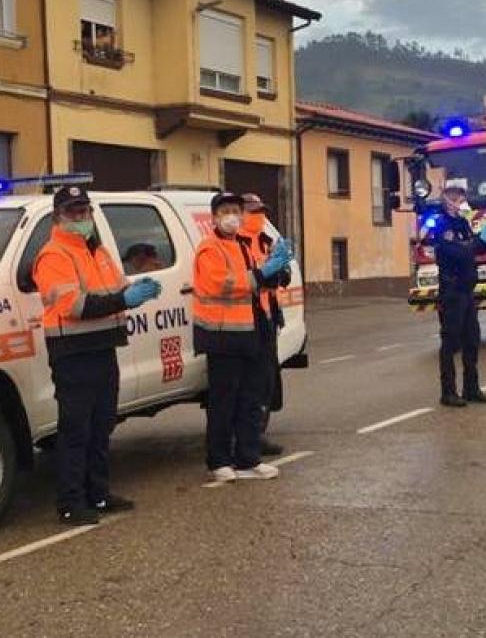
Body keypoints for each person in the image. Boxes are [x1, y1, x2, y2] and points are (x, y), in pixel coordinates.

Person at [33, 185, 162, 526]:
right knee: (76, 430)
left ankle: (99, 494)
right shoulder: (54, 255)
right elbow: (73, 306)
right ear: (58, 217)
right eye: (74, 212)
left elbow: (117, 287)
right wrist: (125, 299)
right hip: (73, 352)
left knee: (101, 425)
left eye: (85, 211)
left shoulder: (98, 251)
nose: (81, 217)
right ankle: (71, 502)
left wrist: (138, 290)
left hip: (103, 347)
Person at [192, 192, 294, 483]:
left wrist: (278, 268)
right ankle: (219, 460)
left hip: (251, 330)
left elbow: (260, 283)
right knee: (224, 401)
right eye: (225, 210)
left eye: (236, 210)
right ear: (214, 217)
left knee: (251, 398)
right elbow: (224, 285)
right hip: (222, 335)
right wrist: (263, 272)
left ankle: (248, 458)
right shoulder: (209, 249)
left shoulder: (242, 245)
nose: (232, 216)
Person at [430, 179, 486, 407]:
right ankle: (448, 392)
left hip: (467, 291)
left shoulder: (463, 224)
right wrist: (481, 239)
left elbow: (473, 250)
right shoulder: (443, 226)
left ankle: (471, 388)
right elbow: (460, 252)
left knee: (472, 340)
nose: (461, 200)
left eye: (462, 195)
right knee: (451, 342)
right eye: (456, 196)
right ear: (447, 200)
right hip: (452, 291)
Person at [240, 193, 289, 457]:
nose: (259, 216)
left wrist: (279, 270)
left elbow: (283, 277)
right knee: (252, 383)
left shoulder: (266, 241)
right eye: (253, 211)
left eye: (261, 211)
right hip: (246, 320)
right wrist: (267, 273)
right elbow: (246, 280)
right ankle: (249, 437)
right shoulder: (238, 243)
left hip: (268, 316)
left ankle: (259, 433)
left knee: (266, 381)